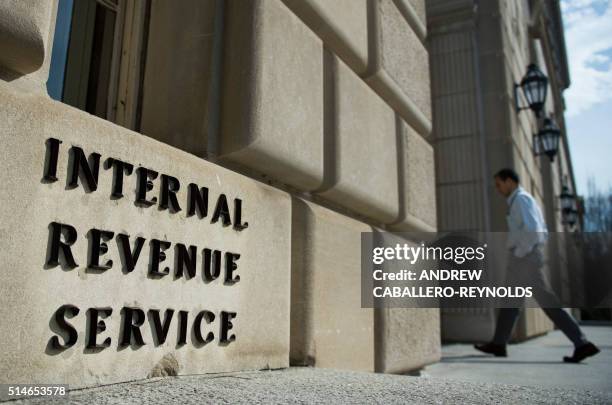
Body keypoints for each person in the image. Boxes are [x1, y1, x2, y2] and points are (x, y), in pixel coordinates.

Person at [474, 168, 600, 363]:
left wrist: (520, 253)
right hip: (524, 259)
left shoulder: (521, 200)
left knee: (547, 303)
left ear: (509, 181)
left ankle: (582, 343)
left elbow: (533, 232)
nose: (498, 189)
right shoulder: (520, 201)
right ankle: (499, 343)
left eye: (499, 184)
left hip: (525, 260)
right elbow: (542, 231)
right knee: (509, 303)